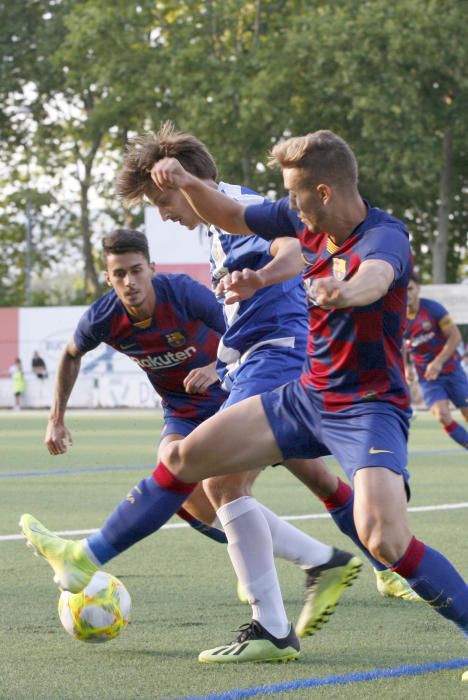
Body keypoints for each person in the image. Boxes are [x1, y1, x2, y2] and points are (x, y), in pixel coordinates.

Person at [22, 226, 361, 663]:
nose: (130, 281)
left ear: (152, 269)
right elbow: (71, 353)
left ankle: (383, 566)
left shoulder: (181, 293)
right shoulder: (104, 317)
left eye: (137, 271)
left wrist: (215, 368)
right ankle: (315, 561)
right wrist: (55, 420)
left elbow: (241, 329)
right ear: (109, 278)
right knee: (190, 495)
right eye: (120, 274)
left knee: (313, 476)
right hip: (181, 409)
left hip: (234, 395)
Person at [405, 272, 468, 448]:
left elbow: (455, 337)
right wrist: (406, 366)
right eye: (403, 290)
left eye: (410, 288)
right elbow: (401, 345)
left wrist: (438, 361)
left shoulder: (433, 309)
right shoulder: (398, 316)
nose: (407, 293)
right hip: (428, 378)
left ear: (418, 288)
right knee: (442, 415)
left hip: (451, 370)